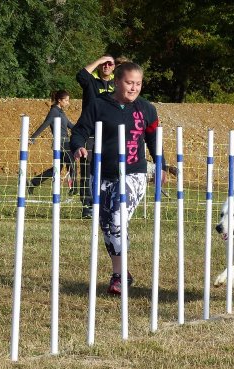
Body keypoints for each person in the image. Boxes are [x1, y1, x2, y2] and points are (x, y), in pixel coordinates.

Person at [71, 62, 167, 295]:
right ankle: (121, 273)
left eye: (138, 83)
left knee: (116, 217)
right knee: (107, 226)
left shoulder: (147, 110)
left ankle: (119, 275)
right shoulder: (98, 105)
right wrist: (77, 147)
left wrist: (160, 166)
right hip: (101, 173)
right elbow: (80, 131)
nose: (134, 88)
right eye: (129, 83)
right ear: (117, 81)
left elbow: (154, 140)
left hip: (134, 173)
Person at [76, 54, 117, 218]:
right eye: (103, 64)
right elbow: (81, 75)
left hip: (111, 133)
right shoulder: (91, 82)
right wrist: (99, 60)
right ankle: (87, 206)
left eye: (109, 64)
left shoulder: (117, 83)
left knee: (111, 169)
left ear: (114, 67)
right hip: (91, 133)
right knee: (88, 170)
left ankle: (108, 203)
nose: (106, 66)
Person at [27, 90, 76, 195]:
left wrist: (85, 131)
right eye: (66, 100)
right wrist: (32, 138)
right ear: (59, 100)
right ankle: (74, 188)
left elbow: (70, 126)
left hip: (65, 143)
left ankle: (33, 183)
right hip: (61, 144)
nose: (68, 103)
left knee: (58, 168)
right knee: (71, 164)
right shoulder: (54, 111)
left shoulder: (61, 112)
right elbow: (45, 124)